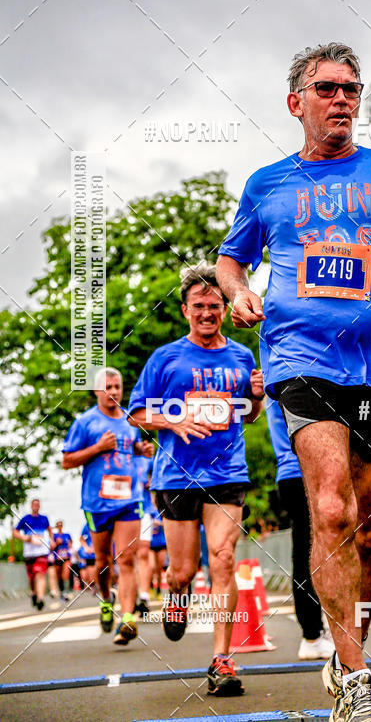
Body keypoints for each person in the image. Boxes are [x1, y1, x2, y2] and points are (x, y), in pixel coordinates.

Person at [216, 43, 371, 721]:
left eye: (352, 90)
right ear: (297, 101)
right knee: (331, 509)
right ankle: (357, 684)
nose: (343, 100)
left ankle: (347, 644)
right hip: (301, 356)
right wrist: (237, 293)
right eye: (327, 89)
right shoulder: (267, 184)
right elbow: (230, 261)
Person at [128, 263, 265, 697]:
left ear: (224, 309)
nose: (207, 313)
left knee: (223, 557)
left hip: (227, 472)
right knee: (183, 571)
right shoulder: (166, 358)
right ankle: (176, 596)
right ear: (186, 310)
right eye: (198, 306)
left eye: (214, 306)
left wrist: (257, 398)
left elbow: (249, 414)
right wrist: (174, 417)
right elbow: (136, 413)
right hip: (175, 477)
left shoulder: (243, 357)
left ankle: (222, 660)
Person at [62, 367, 153, 645]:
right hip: (97, 502)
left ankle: (127, 619)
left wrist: (141, 451)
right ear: (96, 391)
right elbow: (67, 460)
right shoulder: (86, 422)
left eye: (117, 387)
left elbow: (130, 447)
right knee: (103, 563)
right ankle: (105, 601)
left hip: (129, 499)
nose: (113, 392)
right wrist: (97, 448)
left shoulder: (130, 420)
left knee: (126, 558)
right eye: (107, 388)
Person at [266, 398, 333, 660]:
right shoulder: (291, 377)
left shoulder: (277, 377)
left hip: (297, 473)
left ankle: (317, 632)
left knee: (313, 552)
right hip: (302, 472)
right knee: (309, 554)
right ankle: (312, 635)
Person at [13, 499, 53, 611]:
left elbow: (50, 530)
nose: (36, 506)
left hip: (41, 552)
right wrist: (24, 537)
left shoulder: (44, 519)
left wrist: (52, 540)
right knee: (32, 578)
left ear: (39, 506)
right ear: (31, 506)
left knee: (40, 574)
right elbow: (15, 532)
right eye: (34, 504)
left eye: (37, 504)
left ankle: (40, 598)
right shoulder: (25, 519)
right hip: (29, 553)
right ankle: (34, 593)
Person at [135, 448, 155, 617]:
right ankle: (130, 593)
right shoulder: (115, 457)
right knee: (125, 556)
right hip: (121, 512)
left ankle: (144, 596)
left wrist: (151, 481)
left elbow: (159, 472)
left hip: (143, 511)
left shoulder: (146, 459)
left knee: (143, 552)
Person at [52, 520, 74, 601]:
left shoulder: (67, 535)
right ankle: (61, 591)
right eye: (58, 525)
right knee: (59, 576)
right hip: (57, 558)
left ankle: (66, 591)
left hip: (66, 558)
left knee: (66, 575)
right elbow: (51, 547)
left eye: (61, 525)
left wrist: (69, 546)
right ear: (56, 526)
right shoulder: (54, 536)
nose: (60, 526)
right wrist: (57, 543)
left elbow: (71, 544)